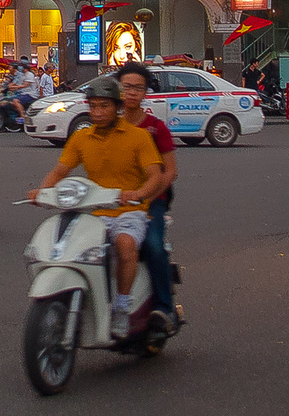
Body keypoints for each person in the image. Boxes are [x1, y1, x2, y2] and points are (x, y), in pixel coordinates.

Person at [28, 77, 165, 339]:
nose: (97, 113)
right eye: (93, 107)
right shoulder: (81, 137)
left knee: (125, 245)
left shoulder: (138, 137)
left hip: (129, 211)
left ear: (117, 107)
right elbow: (60, 170)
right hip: (93, 212)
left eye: (104, 106)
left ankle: (122, 307)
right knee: (64, 249)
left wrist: (138, 194)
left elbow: (155, 175)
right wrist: (43, 191)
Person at [115, 63, 180, 327]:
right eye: (126, 87)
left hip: (150, 202)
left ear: (145, 93)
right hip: (113, 201)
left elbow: (170, 172)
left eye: (137, 88)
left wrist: (146, 196)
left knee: (153, 246)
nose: (131, 93)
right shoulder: (108, 126)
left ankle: (165, 308)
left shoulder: (155, 128)